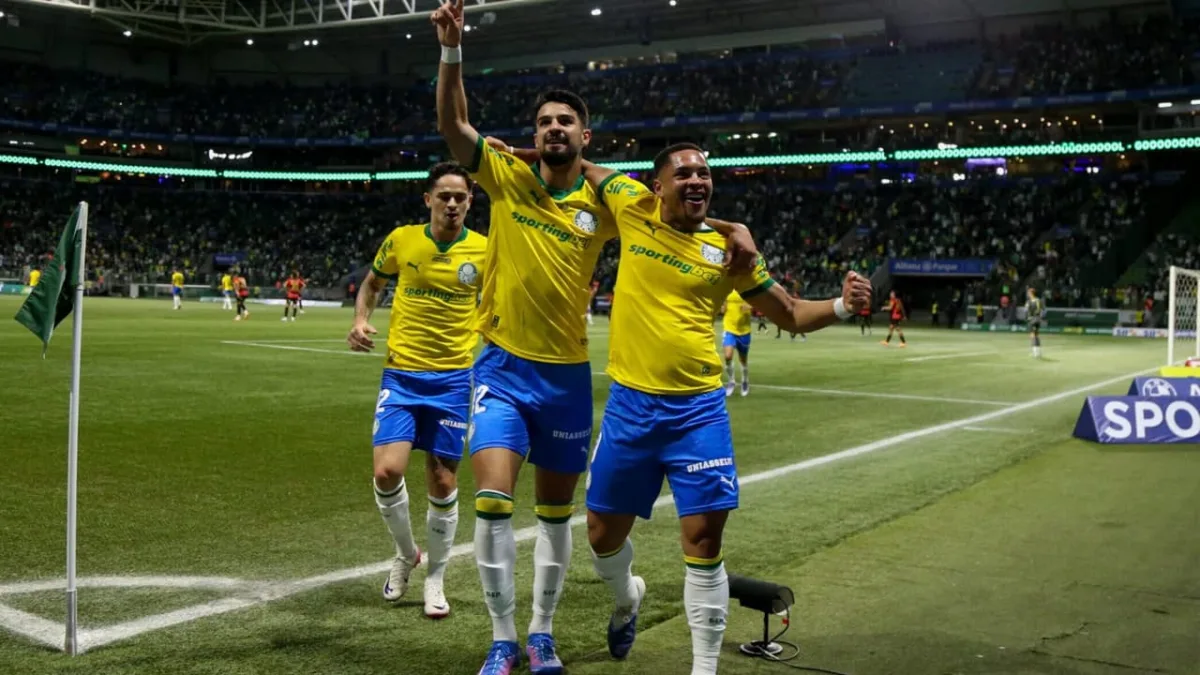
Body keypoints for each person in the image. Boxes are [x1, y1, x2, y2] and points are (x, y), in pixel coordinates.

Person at [430, 4, 757, 671]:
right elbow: (454, 125)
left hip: (567, 378)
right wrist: (452, 51)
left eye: (565, 122)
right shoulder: (504, 175)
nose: (553, 129)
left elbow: (672, 206)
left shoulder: (608, 200)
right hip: (501, 365)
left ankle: (543, 633)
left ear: (584, 133)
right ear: (535, 134)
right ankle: (502, 638)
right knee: (492, 501)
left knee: (556, 514)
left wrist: (728, 228)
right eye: (544, 122)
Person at [576, 143, 870, 674]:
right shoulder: (629, 204)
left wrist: (844, 304)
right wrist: (509, 148)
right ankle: (627, 597)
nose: (697, 180)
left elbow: (792, 314)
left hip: (698, 414)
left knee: (704, 541)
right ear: (657, 186)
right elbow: (574, 158)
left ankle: (704, 669)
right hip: (630, 410)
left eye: (705, 174)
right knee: (601, 536)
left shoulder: (729, 252)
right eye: (683, 173)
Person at [348, 161, 486, 620]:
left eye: (460, 197)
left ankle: (436, 577)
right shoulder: (402, 239)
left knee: (443, 480)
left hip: (453, 380)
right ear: (428, 199)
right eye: (443, 196)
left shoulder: (486, 251)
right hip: (402, 375)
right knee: (386, 472)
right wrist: (361, 319)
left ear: (470, 201)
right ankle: (407, 553)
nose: (451, 204)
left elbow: (497, 308)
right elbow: (372, 284)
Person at [721, 290, 752, 397]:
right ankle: (731, 381)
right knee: (728, 356)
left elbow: (758, 304)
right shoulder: (727, 289)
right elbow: (723, 307)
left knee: (743, 360)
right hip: (729, 328)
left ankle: (745, 380)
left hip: (744, 331)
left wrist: (750, 307)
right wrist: (722, 307)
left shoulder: (748, 289)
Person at [1026, 287, 1044, 358]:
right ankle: (1038, 352)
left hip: (1032, 319)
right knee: (1036, 335)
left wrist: (1029, 317)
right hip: (1038, 320)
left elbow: (1027, 311)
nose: (1028, 294)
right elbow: (1043, 310)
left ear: (1031, 293)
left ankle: (1035, 352)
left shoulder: (1030, 301)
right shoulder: (1038, 300)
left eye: (1028, 293)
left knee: (1033, 336)